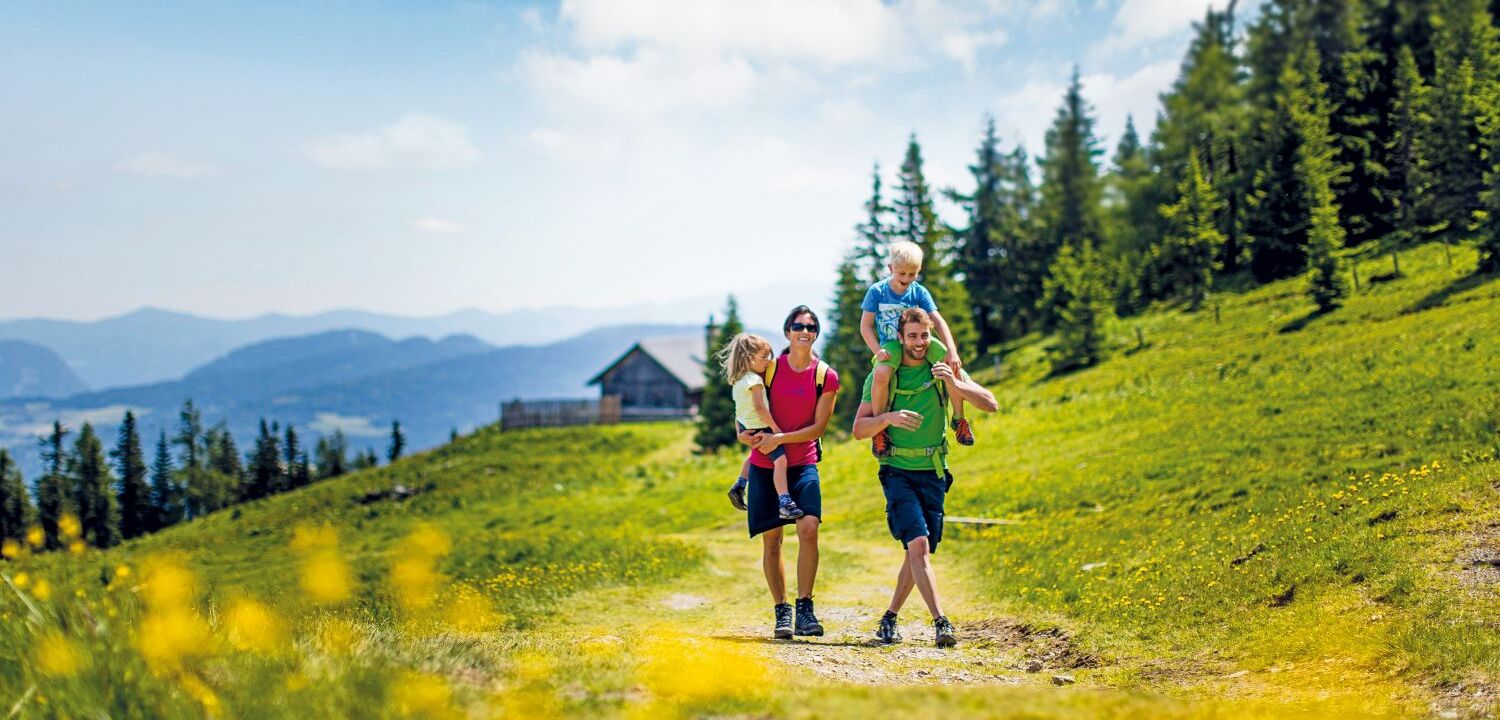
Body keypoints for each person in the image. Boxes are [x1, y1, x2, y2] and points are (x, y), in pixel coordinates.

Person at [852, 307, 997, 648]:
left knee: (917, 552)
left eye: (924, 335)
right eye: (912, 336)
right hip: (897, 471)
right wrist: (887, 419)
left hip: (934, 471)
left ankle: (889, 617)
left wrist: (954, 382)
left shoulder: (940, 366)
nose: (919, 342)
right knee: (918, 545)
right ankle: (941, 622)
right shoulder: (884, 375)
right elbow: (858, 429)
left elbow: (991, 404)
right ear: (900, 338)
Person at [726, 306, 839, 639]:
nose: (805, 331)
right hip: (765, 463)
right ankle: (782, 611)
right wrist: (742, 434)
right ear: (787, 331)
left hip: (803, 462)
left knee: (809, 528)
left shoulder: (825, 376)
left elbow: (818, 429)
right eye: (798, 326)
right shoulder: (769, 369)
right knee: (772, 539)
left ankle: (805, 608)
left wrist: (780, 439)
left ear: (816, 333)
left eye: (811, 327)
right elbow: (745, 406)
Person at [861, 240, 974, 458]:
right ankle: (879, 429)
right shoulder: (877, 292)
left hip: (920, 339)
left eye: (912, 274)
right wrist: (877, 350)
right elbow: (865, 326)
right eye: (901, 273)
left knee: (951, 367)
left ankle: (959, 419)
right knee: (881, 373)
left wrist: (952, 350)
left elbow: (938, 321)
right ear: (890, 268)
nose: (906, 279)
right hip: (892, 343)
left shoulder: (919, 292)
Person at [718, 332, 801, 520]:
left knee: (755, 455)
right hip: (760, 426)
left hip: (745, 425)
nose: (767, 361)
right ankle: (785, 502)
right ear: (748, 357)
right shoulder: (755, 381)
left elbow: (739, 408)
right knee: (781, 462)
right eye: (763, 356)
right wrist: (775, 428)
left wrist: (740, 429)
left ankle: (740, 485)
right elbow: (760, 407)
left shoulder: (738, 380)